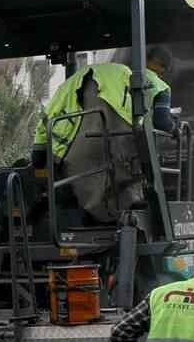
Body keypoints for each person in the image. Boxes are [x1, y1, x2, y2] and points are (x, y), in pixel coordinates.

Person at [33, 46, 176, 221]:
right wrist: (175, 129)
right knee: (129, 159)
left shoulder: (73, 81)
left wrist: (38, 153)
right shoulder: (155, 85)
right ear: (163, 69)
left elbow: (48, 116)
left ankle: (73, 208)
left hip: (75, 154)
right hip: (116, 141)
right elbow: (162, 121)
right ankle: (130, 207)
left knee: (82, 171)